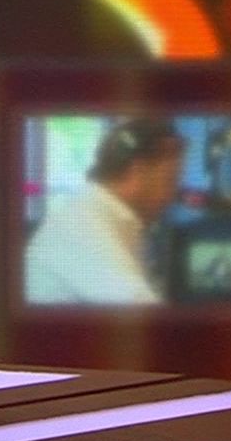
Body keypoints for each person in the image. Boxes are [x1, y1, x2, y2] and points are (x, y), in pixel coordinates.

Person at [25, 117, 186, 304]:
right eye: (170, 180)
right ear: (138, 172)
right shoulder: (84, 225)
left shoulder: (105, 215)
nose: (171, 197)